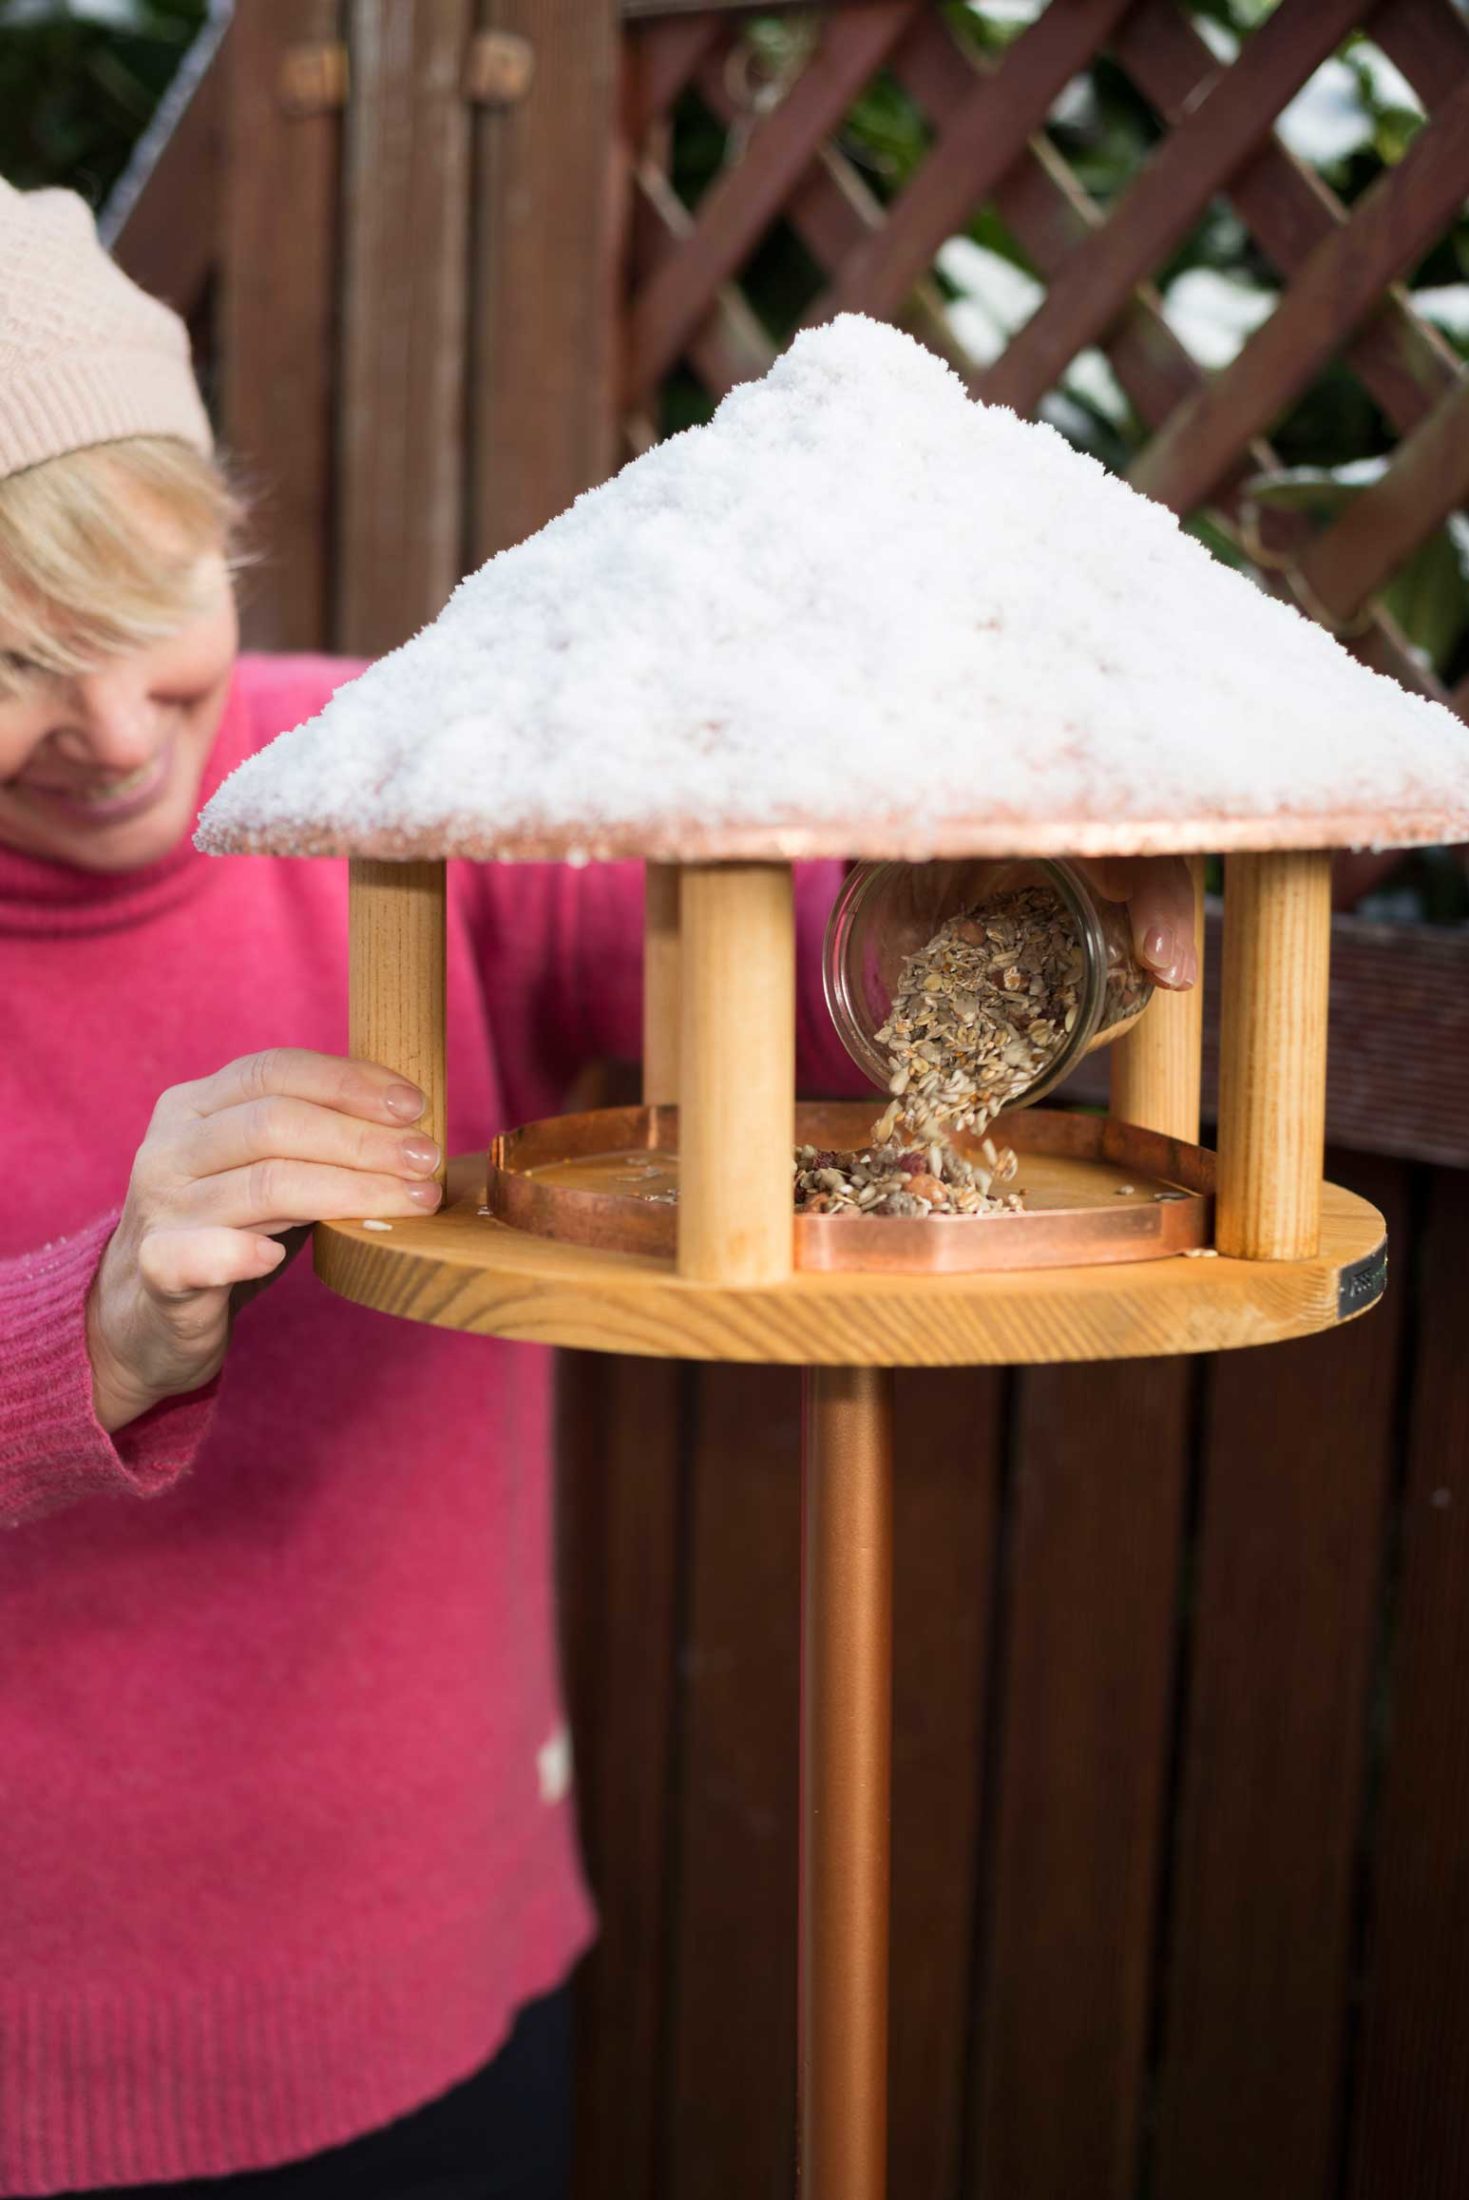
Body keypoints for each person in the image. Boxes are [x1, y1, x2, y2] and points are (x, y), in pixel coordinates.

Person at [0, 180, 1195, 2200]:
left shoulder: (397, 771)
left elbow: (775, 970)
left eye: (156, 625)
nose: (115, 732)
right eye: (11, 667)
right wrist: (90, 1322)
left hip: (441, 1967)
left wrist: (1008, 908)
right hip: (52, 2038)